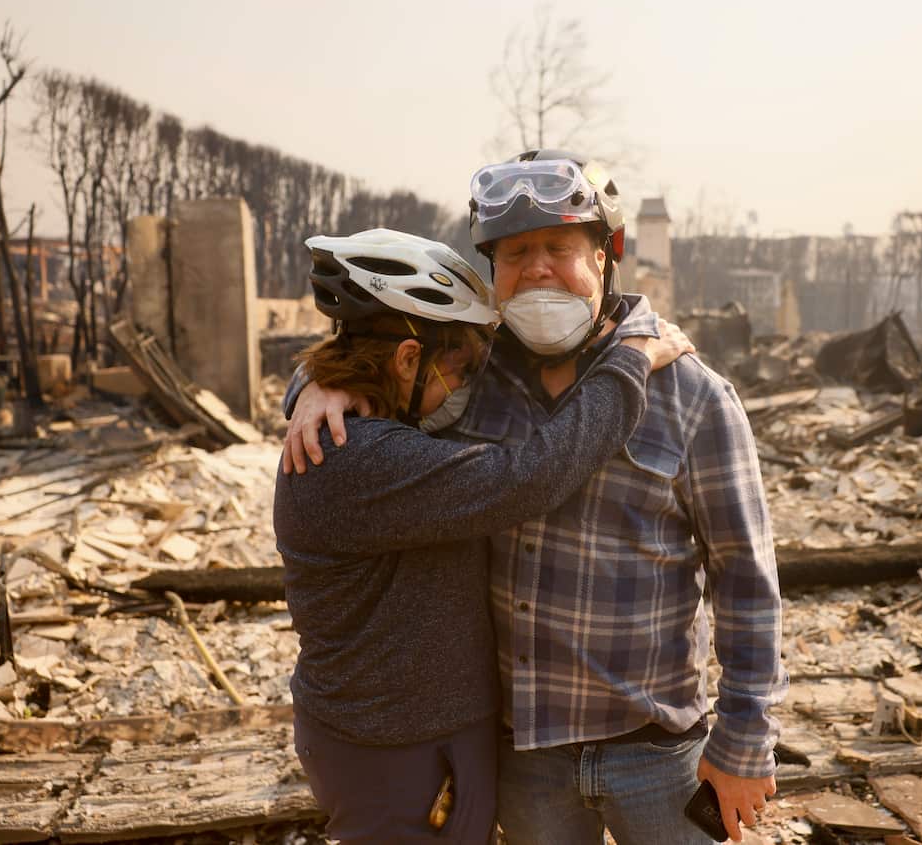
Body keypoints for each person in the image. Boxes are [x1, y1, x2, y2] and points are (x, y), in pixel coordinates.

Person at [286, 153, 786, 844]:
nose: (537, 268)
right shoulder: (471, 385)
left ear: (607, 254)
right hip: (527, 760)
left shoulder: (692, 395)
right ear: (493, 271)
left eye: (558, 247)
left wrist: (745, 738)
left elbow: (747, 581)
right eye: (516, 253)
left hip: (656, 753)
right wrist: (321, 387)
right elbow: (382, 390)